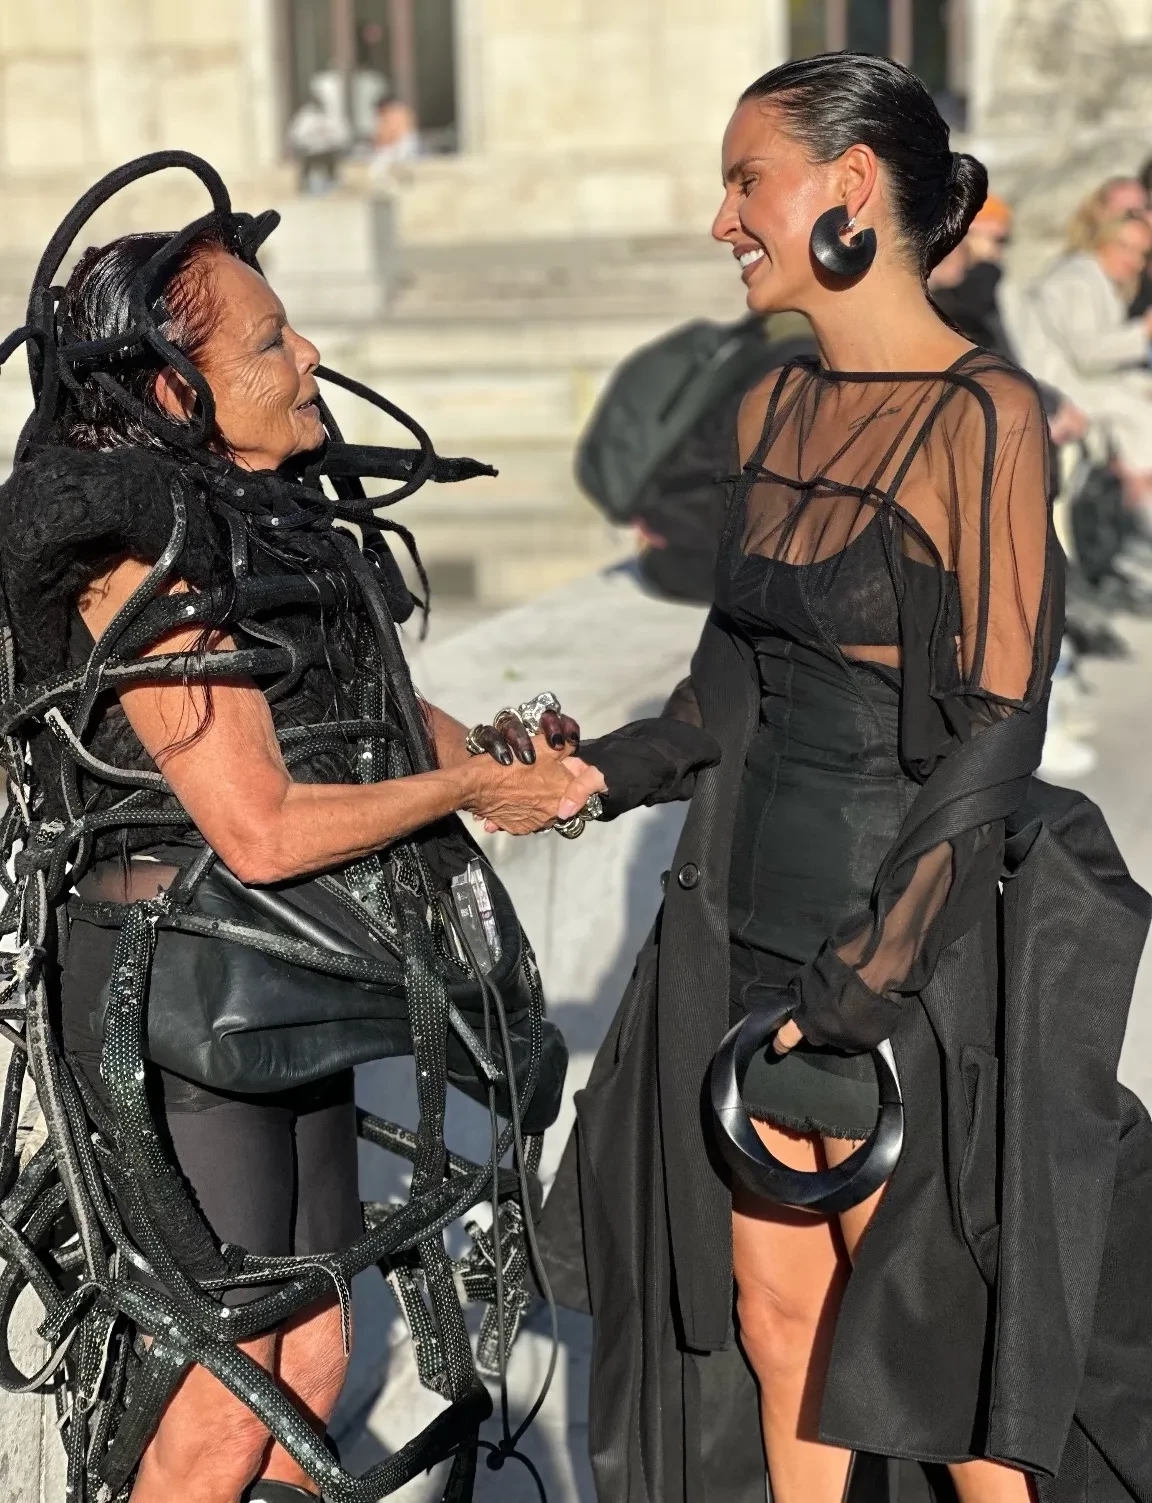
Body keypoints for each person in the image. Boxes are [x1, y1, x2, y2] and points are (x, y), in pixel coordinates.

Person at [538, 52, 1152, 1503]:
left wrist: (867, 982)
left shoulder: (985, 417)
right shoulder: (773, 410)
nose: (723, 219)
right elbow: (722, 691)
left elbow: (1000, 728)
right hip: (748, 939)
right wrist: (586, 777)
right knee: (779, 1322)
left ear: (851, 186)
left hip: (908, 964)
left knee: (950, 1371)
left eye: (746, 180)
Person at [0, 159, 605, 1503]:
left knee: (315, 1353)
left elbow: (362, 703)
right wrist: (467, 793)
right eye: (271, 341)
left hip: (290, 971)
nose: (311, 354)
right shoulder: (133, 548)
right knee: (232, 1397)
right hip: (177, 995)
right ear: (175, 391)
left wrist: (506, 760)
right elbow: (261, 825)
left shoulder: (261, 519)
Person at [1007, 211, 1152, 516]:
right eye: (1125, 246)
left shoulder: (1097, 279)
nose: (1135, 261)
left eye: (1142, 253)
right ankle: (1141, 503)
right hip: (1055, 387)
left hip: (1071, 380)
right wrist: (1143, 331)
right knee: (1137, 411)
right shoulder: (1077, 280)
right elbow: (1089, 355)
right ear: (1102, 239)